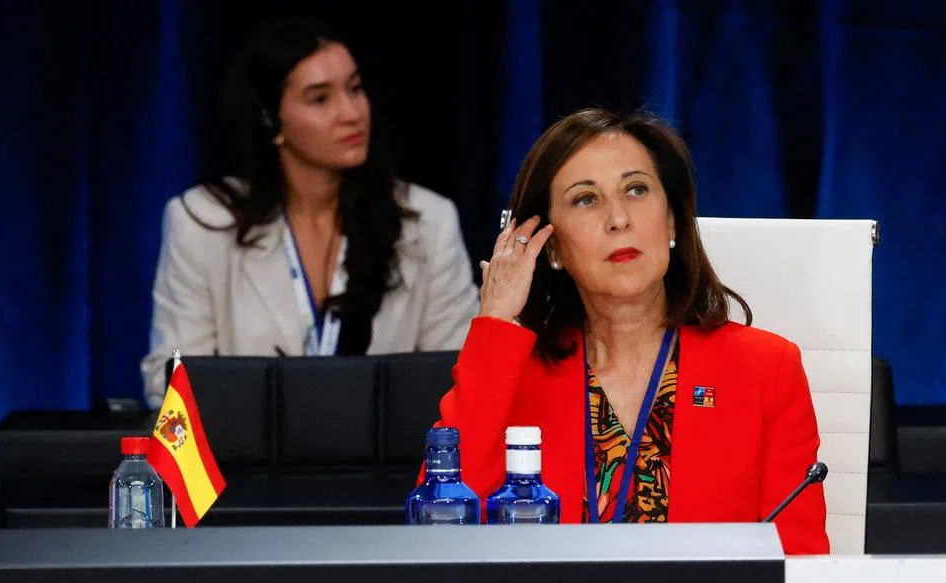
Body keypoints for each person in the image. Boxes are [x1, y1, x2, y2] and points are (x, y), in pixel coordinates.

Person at [434, 108, 829, 554]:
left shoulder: (765, 369)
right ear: (552, 247)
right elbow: (442, 530)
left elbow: (802, 565)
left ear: (672, 222)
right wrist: (494, 323)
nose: (618, 219)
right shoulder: (514, 375)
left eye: (636, 190)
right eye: (586, 199)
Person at [140, 17, 478, 407]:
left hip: (392, 463)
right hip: (240, 464)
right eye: (320, 98)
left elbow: (460, 379)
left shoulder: (427, 220)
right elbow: (170, 384)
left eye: (354, 89)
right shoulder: (201, 223)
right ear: (272, 122)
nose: (351, 113)